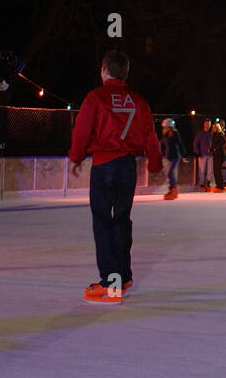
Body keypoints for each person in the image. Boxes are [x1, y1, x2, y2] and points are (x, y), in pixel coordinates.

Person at [69, 51, 164, 303]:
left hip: (104, 165)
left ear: (103, 70)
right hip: (127, 167)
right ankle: (123, 275)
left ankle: (111, 284)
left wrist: (76, 157)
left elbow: (82, 130)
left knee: (102, 221)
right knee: (122, 219)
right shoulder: (138, 100)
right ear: (125, 73)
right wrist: (155, 164)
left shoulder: (95, 97)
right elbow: (150, 136)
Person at [159, 118, 186, 200]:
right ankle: (172, 190)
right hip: (169, 156)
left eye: (165, 127)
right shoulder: (166, 135)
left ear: (169, 127)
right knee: (169, 173)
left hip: (175, 156)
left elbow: (180, 144)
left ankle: (174, 191)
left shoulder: (175, 133)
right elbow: (161, 144)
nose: (164, 129)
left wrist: (184, 155)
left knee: (169, 173)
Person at [193, 117, 214, 191]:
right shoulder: (200, 134)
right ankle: (202, 184)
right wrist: (197, 152)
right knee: (202, 170)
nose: (207, 125)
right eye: (206, 124)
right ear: (204, 124)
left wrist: (213, 151)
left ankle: (207, 183)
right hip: (202, 155)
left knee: (210, 170)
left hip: (211, 155)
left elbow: (215, 144)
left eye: (209, 124)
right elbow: (195, 143)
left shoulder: (212, 133)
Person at [211, 121, 226, 192]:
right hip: (216, 155)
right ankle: (218, 185)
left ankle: (220, 186)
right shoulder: (214, 134)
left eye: (214, 127)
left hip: (219, 155)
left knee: (217, 171)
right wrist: (212, 149)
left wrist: (215, 148)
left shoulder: (220, 134)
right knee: (216, 171)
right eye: (212, 127)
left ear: (217, 128)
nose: (213, 129)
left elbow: (222, 143)